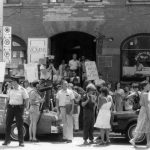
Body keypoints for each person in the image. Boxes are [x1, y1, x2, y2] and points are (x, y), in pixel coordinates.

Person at [2, 76, 29, 147]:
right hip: (10, 108)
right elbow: (7, 99)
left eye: (13, 82)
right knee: (8, 124)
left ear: (16, 82)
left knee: (19, 125)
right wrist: (5, 109)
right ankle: (7, 140)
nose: (11, 83)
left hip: (19, 108)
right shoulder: (10, 89)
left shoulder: (22, 90)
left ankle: (21, 142)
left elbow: (26, 99)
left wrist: (26, 108)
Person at [129, 81, 150, 148]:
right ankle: (134, 139)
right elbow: (146, 105)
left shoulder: (142, 93)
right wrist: (149, 114)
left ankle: (148, 143)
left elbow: (141, 103)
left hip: (143, 110)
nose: (149, 86)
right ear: (145, 86)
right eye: (148, 85)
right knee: (144, 126)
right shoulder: (145, 94)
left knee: (145, 127)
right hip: (145, 111)